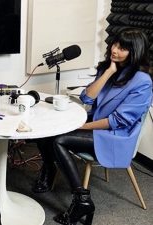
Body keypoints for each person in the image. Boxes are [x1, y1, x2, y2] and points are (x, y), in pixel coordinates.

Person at [32, 28, 153, 225]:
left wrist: (83, 125)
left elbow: (117, 121)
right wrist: (108, 73)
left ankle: (82, 200)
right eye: (115, 44)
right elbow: (87, 97)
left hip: (115, 135)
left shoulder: (142, 82)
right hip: (94, 123)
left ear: (135, 51)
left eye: (122, 48)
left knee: (59, 140)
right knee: (46, 126)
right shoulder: (109, 68)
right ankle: (49, 168)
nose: (114, 49)